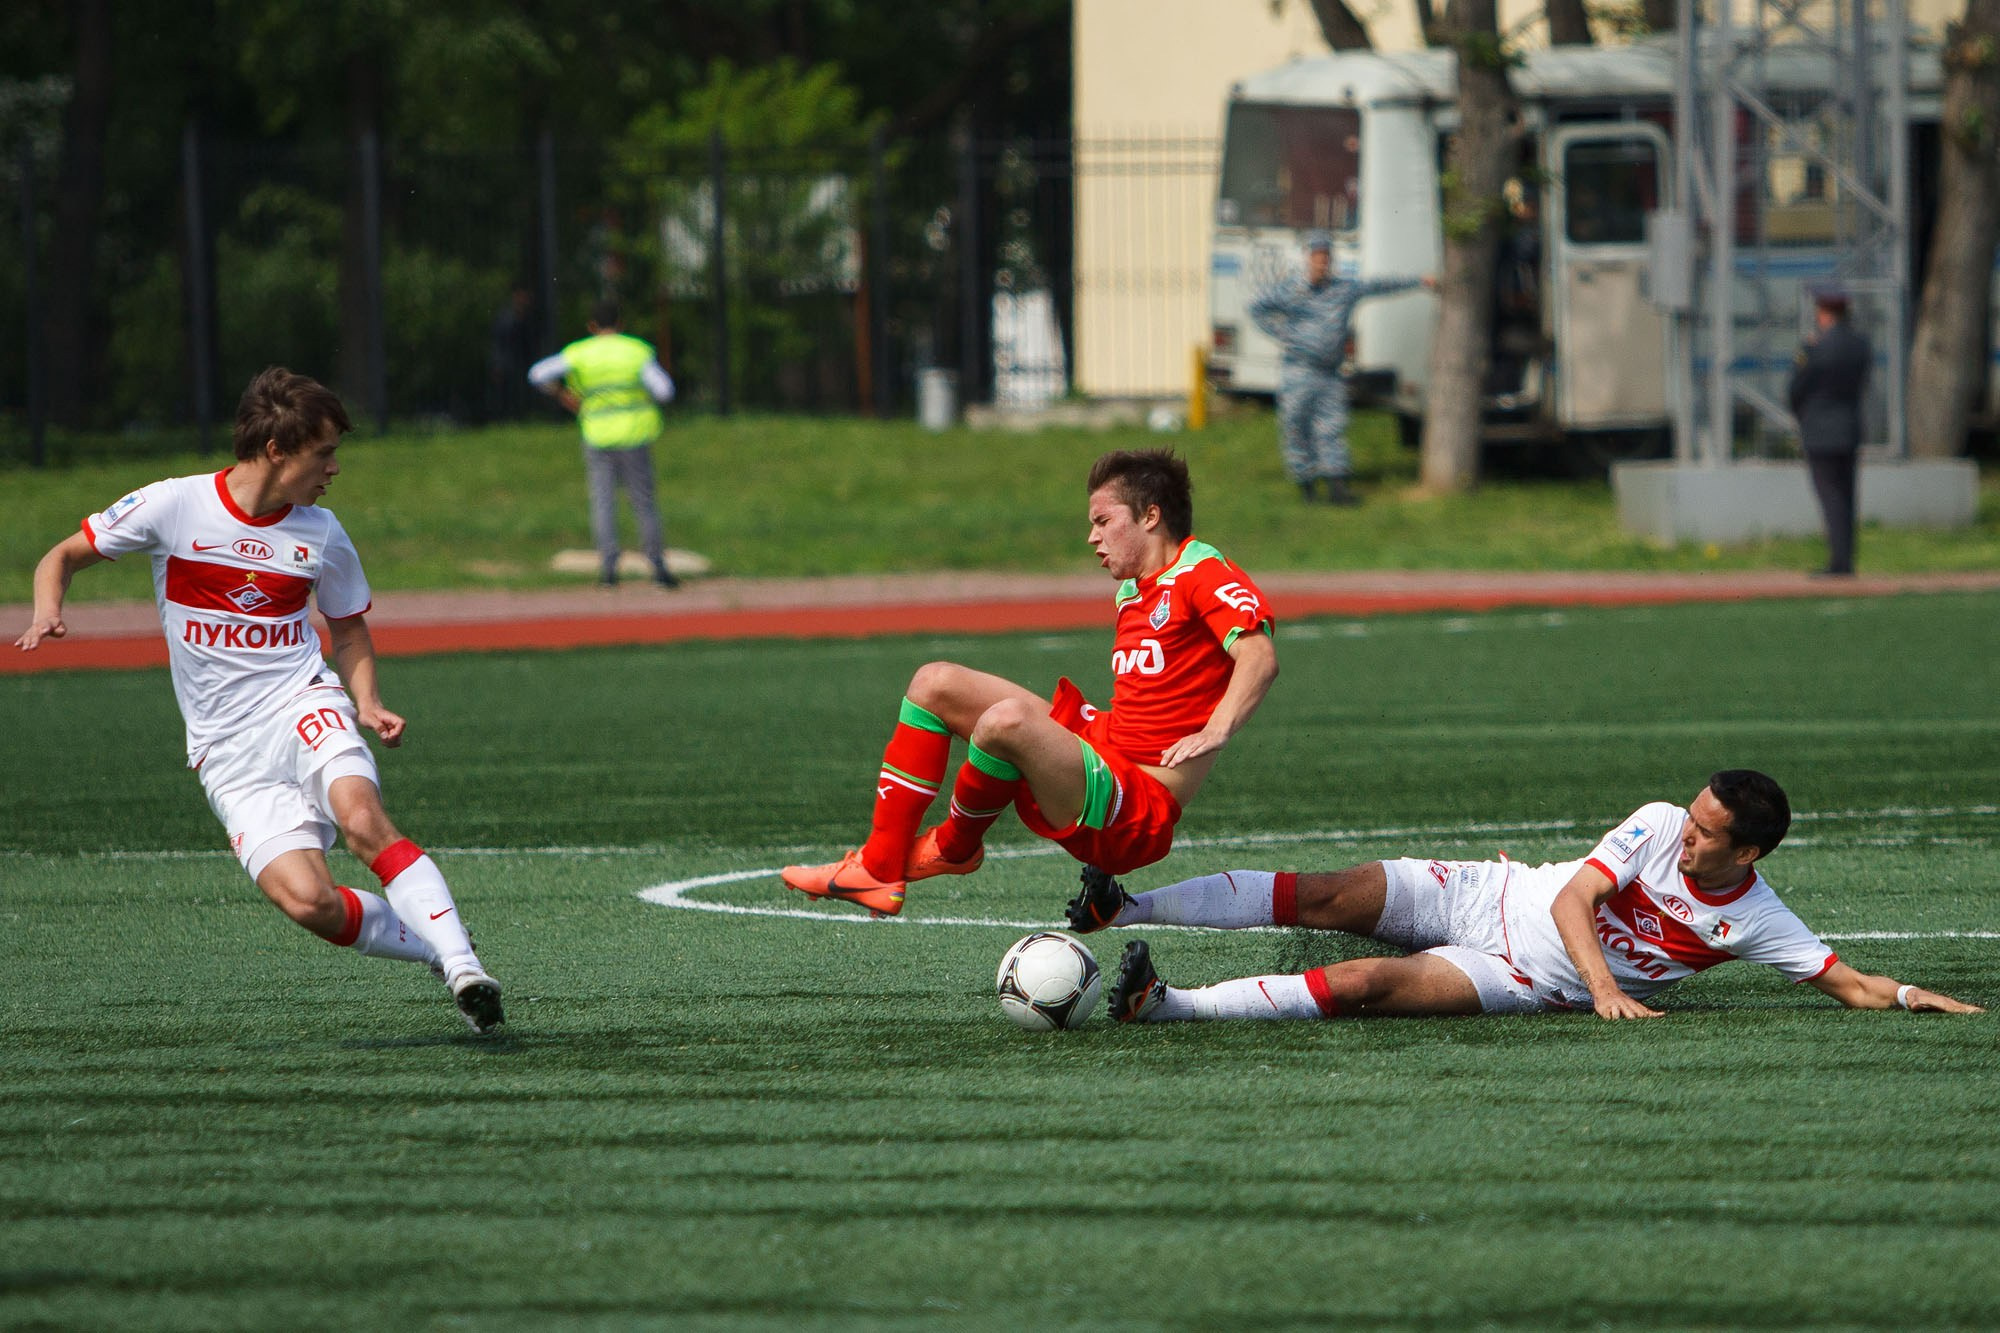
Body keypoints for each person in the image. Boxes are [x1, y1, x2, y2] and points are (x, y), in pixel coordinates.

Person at [14, 367, 505, 1034]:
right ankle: (437, 948)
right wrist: (48, 611)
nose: (334, 469)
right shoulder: (174, 504)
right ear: (276, 450)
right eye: (323, 453)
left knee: (363, 820)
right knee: (309, 902)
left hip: (301, 701)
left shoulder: (321, 532)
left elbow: (348, 629)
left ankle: (465, 965)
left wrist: (366, 701)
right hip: (225, 747)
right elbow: (62, 555)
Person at [781, 449, 1280, 918]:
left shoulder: (1201, 571)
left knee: (1007, 722)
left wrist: (1216, 729)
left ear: (1151, 516)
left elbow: (1258, 656)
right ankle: (879, 867)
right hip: (1105, 750)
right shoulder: (1133, 589)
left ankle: (953, 848)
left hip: (1137, 808)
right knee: (934, 683)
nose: (1093, 538)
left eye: (1103, 521)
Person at [1064, 769, 1981, 1024]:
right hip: (1492, 892)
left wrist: (1911, 995)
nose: (1687, 835)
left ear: (1747, 850)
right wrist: (1609, 988)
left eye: (1708, 835)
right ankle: (1125, 907)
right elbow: (1577, 899)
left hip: (1522, 980)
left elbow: (1848, 983)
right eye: (1693, 817)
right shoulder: (1661, 820)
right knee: (1328, 892)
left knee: (1364, 983)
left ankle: (1165, 1006)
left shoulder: (1756, 916)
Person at [1248, 232, 1434, 506]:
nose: (1322, 262)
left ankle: (1338, 488)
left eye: (1326, 257)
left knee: (1332, 428)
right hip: (1299, 371)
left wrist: (1419, 281)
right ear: (1307, 258)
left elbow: (1379, 286)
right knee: (1297, 427)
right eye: (1317, 256)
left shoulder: (1343, 289)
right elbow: (1257, 308)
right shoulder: (1292, 289)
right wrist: (1285, 335)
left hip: (1330, 374)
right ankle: (1307, 486)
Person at [529, 300, 680, 588]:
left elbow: (537, 374)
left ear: (591, 326)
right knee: (644, 502)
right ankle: (658, 568)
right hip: (634, 434)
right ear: (620, 324)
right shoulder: (635, 351)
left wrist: (561, 394)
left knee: (603, 502)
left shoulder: (580, 352)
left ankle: (609, 571)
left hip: (597, 434)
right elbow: (664, 390)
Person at [1787, 283, 1872, 577]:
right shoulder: (1860, 345)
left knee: (1830, 496)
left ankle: (1839, 563)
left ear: (1824, 313)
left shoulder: (1815, 347)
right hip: (1849, 425)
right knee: (1847, 495)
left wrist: (1802, 416)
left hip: (1819, 429)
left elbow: (1797, 388)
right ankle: (1846, 558)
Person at [486, 285, 536, 422]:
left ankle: (518, 416)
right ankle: (502, 418)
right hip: (505, 362)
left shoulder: (527, 318)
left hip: (520, 362)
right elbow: (497, 342)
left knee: (518, 393)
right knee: (503, 394)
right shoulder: (505, 317)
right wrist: (496, 363)